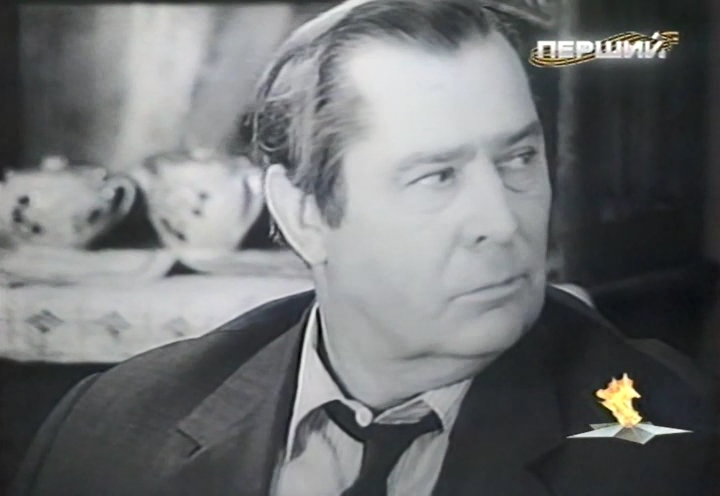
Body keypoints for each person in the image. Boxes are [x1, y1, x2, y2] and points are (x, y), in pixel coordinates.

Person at [12, 1, 718, 495]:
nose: (502, 222)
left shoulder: (666, 442)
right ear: (304, 214)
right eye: (436, 176)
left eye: (518, 159)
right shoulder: (115, 427)